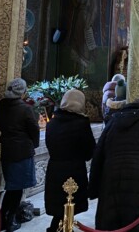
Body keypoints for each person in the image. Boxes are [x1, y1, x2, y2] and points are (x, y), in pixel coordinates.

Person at [89, 97, 139, 232]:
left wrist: (94, 188)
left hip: (112, 178)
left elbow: (98, 154)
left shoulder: (114, 120)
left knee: (114, 222)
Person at [45, 89, 96, 232]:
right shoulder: (81, 123)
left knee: (59, 206)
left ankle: (57, 228)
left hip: (54, 169)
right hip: (74, 170)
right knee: (69, 204)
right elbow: (89, 151)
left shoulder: (52, 123)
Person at [0, 78, 40, 232]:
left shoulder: (1, 105)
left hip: (7, 150)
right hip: (21, 152)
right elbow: (34, 129)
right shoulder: (25, 109)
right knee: (16, 189)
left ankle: (2, 219)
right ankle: (9, 220)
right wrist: (33, 144)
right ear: (22, 92)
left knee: (12, 187)